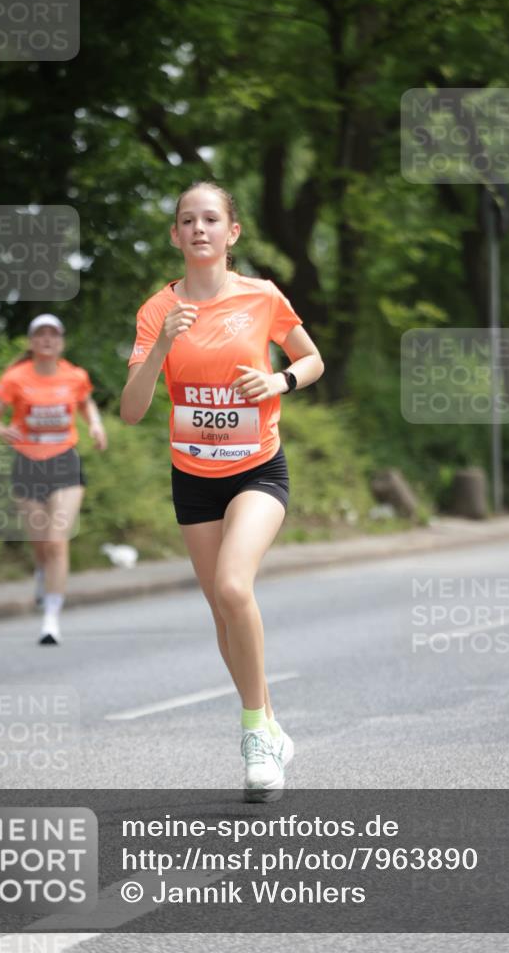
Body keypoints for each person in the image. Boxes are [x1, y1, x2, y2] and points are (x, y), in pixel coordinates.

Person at [121, 181, 324, 799]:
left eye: (211, 219)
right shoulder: (158, 309)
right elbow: (131, 412)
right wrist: (160, 346)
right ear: (176, 235)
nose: (199, 229)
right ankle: (270, 719)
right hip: (195, 478)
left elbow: (312, 358)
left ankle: (254, 735)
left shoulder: (261, 297)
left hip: (258, 468)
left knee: (236, 586)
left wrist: (279, 381)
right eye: (188, 220)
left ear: (231, 233)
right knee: (222, 611)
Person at [0, 314, 108, 645]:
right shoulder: (15, 377)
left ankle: (51, 618)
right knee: (40, 544)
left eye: (54, 334)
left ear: (62, 341)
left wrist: (95, 424)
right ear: (31, 341)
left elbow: (86, 403)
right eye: (41, 334)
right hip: (28, 463)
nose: (48, 340)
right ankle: (42, 574)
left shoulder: (75, 375)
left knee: (56, 541)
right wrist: (1, 429)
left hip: (64, 463)